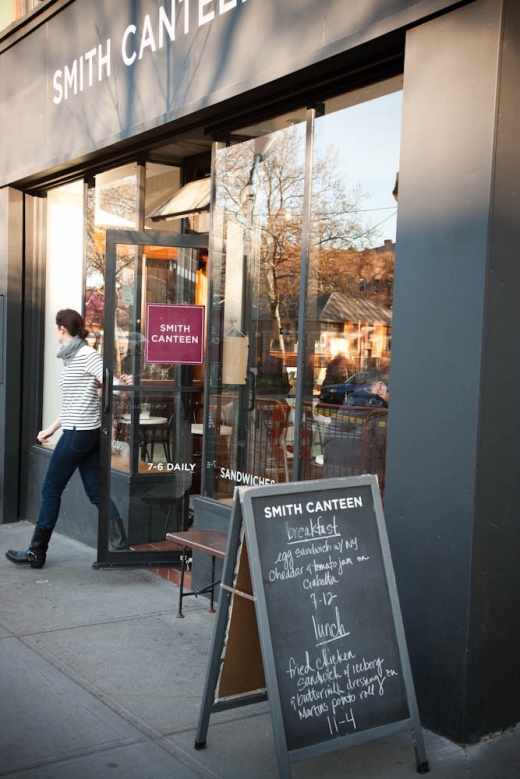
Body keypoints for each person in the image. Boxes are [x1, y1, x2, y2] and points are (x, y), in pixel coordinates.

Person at [6, 309, 133, 569]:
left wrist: (122, 385)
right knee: (96, 491)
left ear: (62, 329)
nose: (54, 332)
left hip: (79, 434)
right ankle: (120, 548)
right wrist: (50, 429)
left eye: (55, 328)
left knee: (51, 489)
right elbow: (74, 405)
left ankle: (36, 552)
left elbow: (111, 387)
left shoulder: (86, 355)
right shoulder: (72, 357)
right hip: (83, 432)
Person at [321, 377, 389, 479]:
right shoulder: (380, 415)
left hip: (332, 483)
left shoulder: (342, 412)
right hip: (367, 486)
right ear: (380, 387)